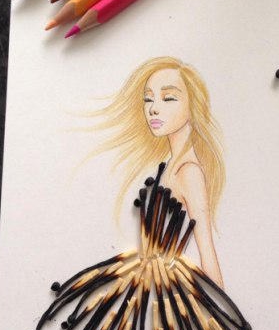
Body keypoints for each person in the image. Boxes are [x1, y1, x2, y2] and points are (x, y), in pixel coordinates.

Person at [92, 56, 226, 288]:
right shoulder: (169, 166)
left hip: (166, 292)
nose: (153, 109)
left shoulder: (189, 172)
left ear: (193, 106)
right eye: (148, 99)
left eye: (168, 98)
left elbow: (207, 252)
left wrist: (219, 307)